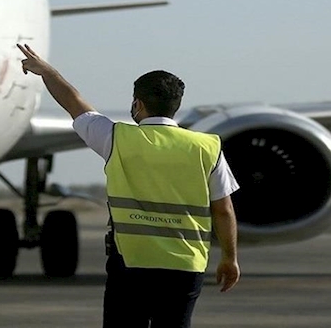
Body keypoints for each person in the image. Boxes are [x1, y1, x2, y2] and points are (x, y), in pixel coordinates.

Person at [17, 43, 240, 328]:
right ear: (176, 105)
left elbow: (74, 103)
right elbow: (224, 210)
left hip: (131, 263)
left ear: (138, 104)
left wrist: (47, 72)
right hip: (186, 265)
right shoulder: (207, 147)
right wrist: (229, 258)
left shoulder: (116, 138)